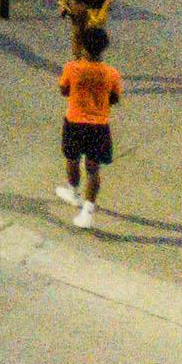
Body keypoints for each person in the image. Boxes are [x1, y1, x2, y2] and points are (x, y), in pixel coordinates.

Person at [58, 23, 122, 229]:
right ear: (104, 48)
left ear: (84, 47)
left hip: (75, 121)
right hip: (99, 126)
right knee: (93, 169)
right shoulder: (112, 74)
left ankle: (73, 191)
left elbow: (63, 89)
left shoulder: (72, 68)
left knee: (72, 158)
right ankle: (87, 211)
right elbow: (114, 98)